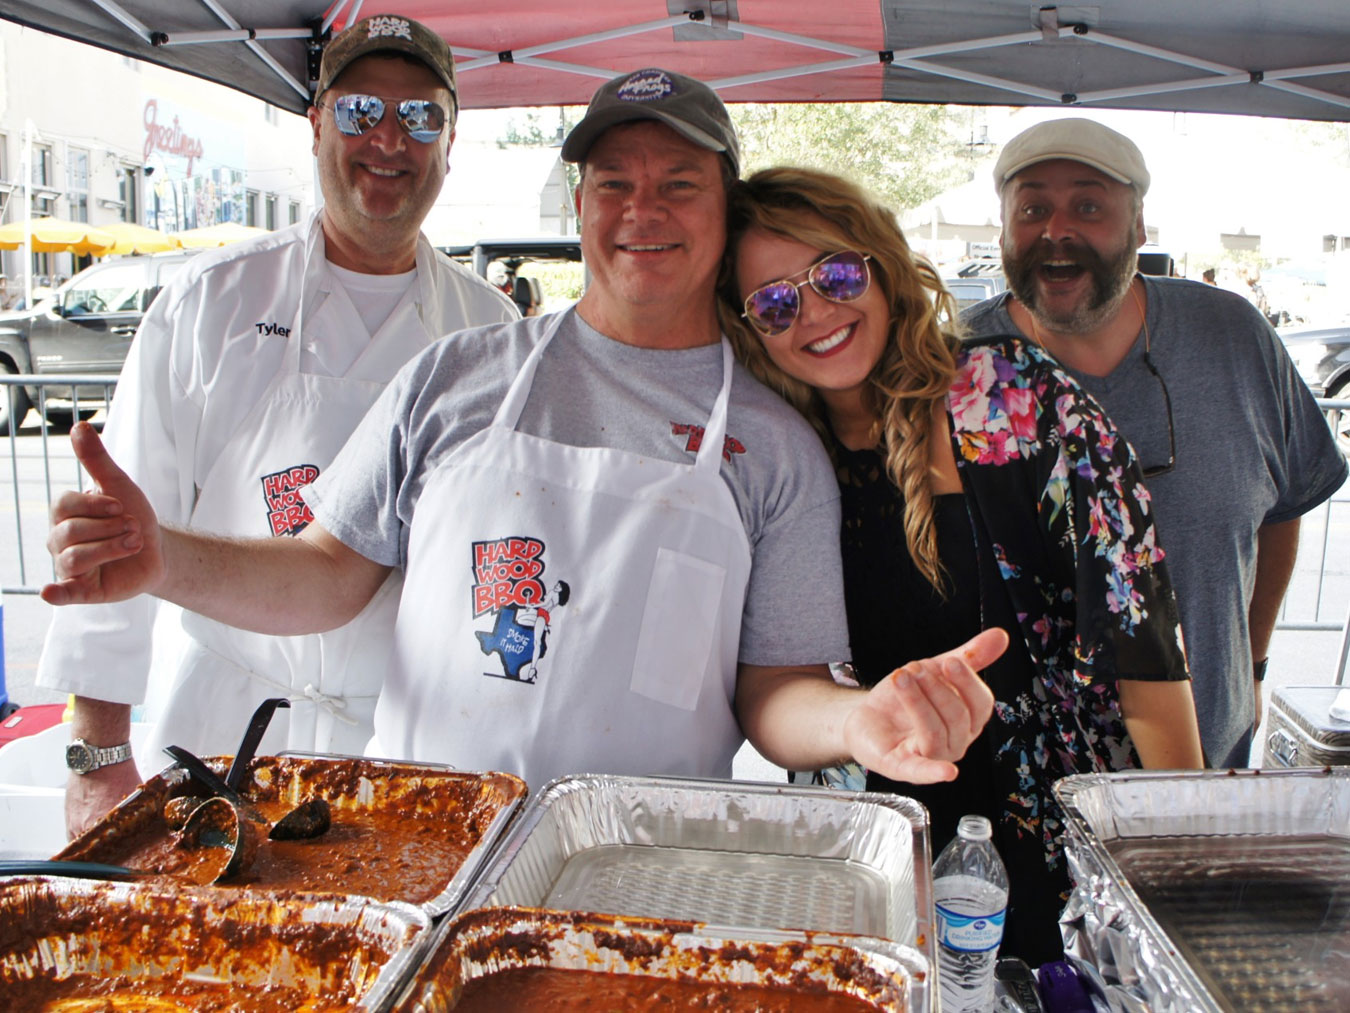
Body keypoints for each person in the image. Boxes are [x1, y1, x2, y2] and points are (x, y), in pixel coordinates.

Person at [45, 69, 1003, 798]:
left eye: (680, 183)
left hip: (642, 869)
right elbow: (329, 573)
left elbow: (775, 689)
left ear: (724, 208)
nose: (644, 210)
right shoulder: (457, 374)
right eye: (614, 182)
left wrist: (854, 719)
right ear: (579, 205)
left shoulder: (773, 445)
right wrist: (160, 556)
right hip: (426, 838)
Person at [36, 14, 518, 838]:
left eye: (422, 115)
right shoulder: (209, 304)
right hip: (220, 732)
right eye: (361, 110)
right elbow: (117, 542)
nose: (390, 140)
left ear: (450, 139)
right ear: (316, 124)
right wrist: (95, 755)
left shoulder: (493, 334)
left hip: (411, 747)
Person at [716, 166, 1202, 964]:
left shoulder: (1010, 394)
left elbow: (1138, 635)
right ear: (750, 329)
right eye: (776, 303)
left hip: (1050, 850)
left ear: (878, 263)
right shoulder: (775, 455)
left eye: (834, 274)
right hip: (872, 852)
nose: (816, 314)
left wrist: (1177, 862)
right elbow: (770, 687)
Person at [962, 118, 1347, 769]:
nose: (1058, 230)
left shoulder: (1232, 336)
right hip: (1018, 777)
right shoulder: (957, 367)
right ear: (1002, 229)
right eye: (1032, 208)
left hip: (1206, 748)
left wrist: (1251, 662)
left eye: (1089, 205)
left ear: (1139, 226)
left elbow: (1284, 506)